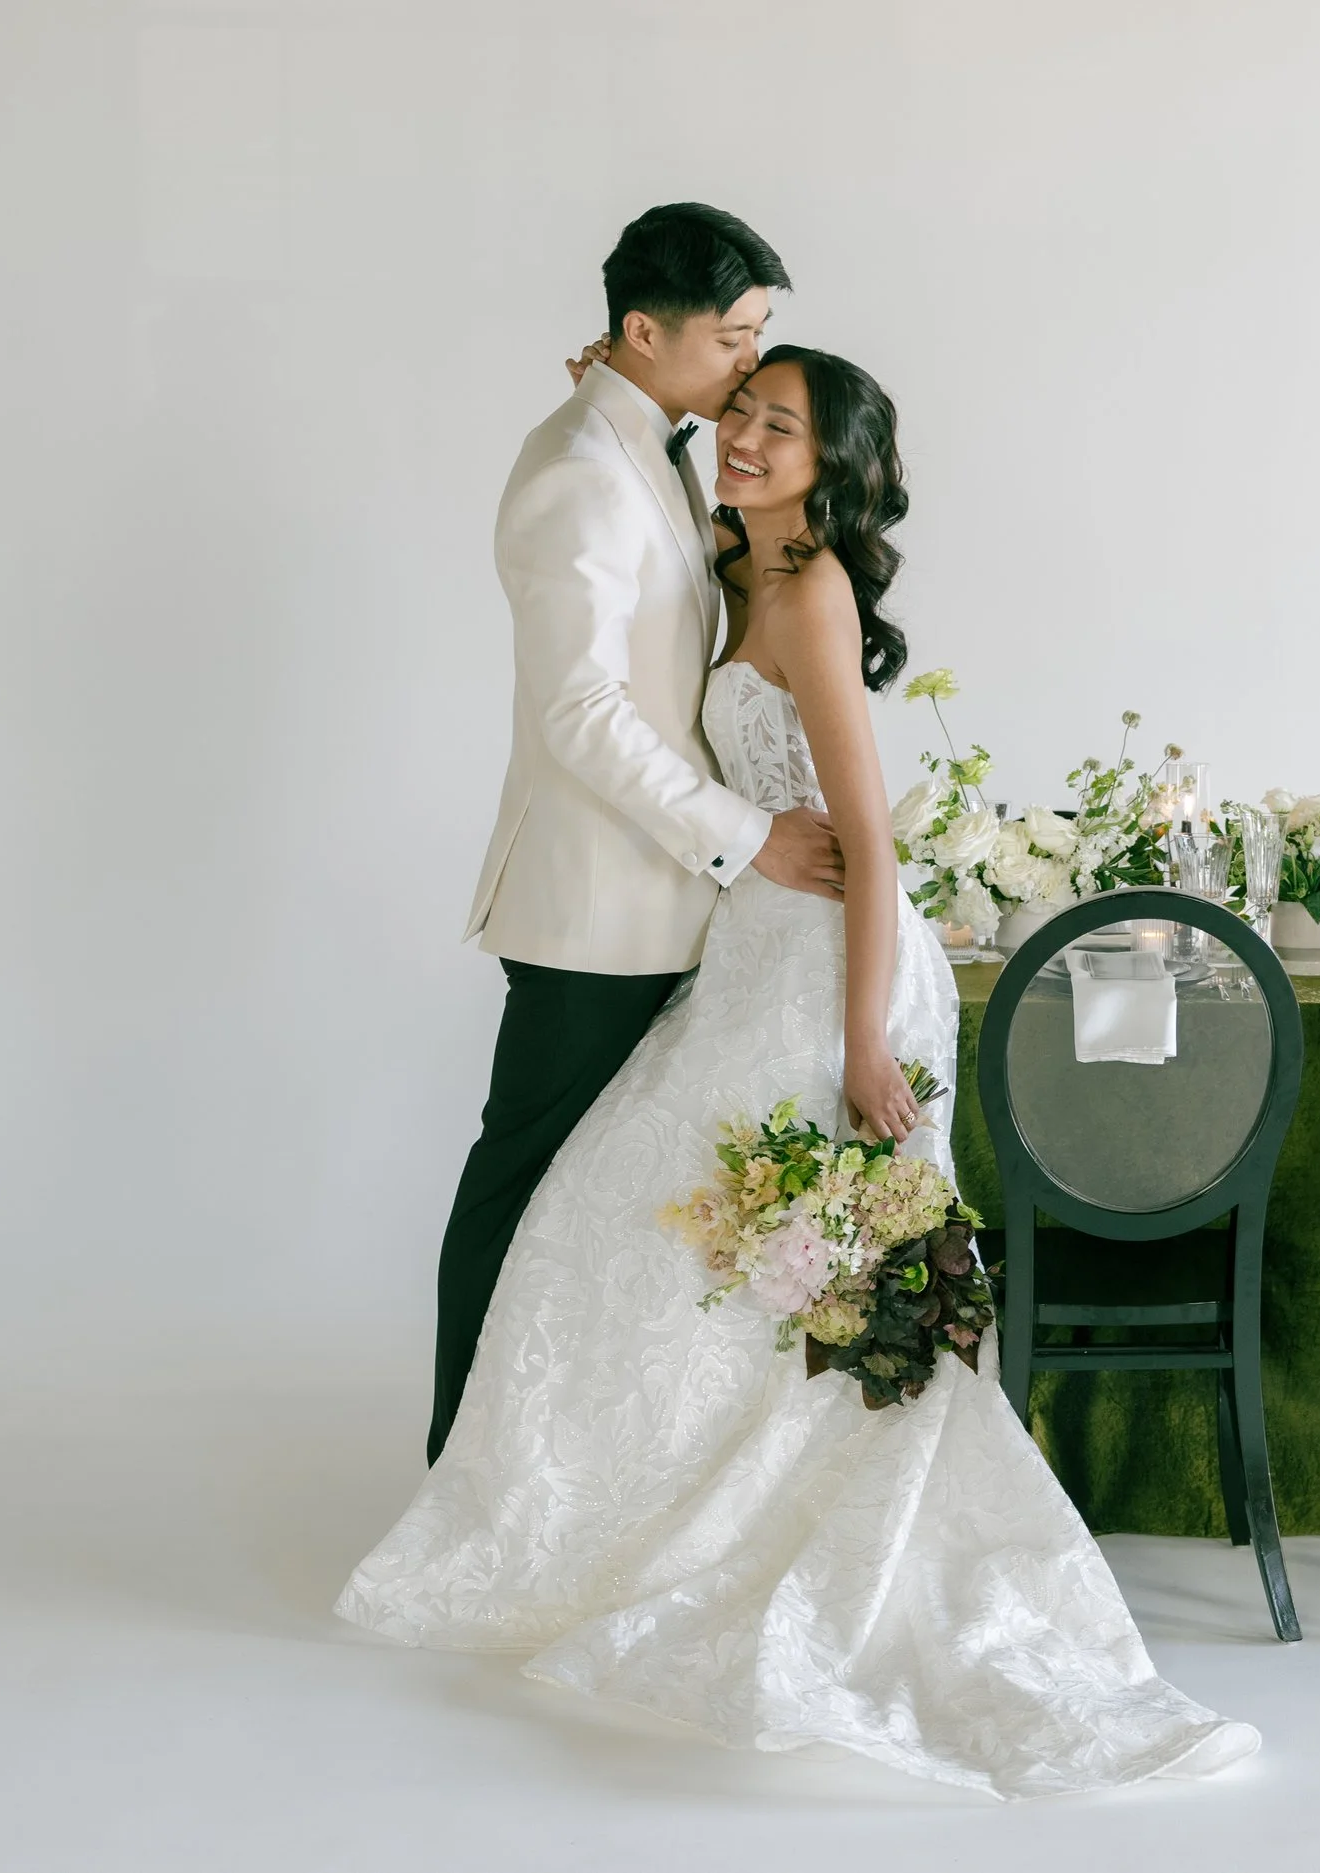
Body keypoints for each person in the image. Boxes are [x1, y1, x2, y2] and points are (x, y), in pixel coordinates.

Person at [339, 343, 1260, 1800]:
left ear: (834, 469)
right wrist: (613, 390)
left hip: (834, 974)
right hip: (753, 953)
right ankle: (640, 1509)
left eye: (781, 429)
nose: (750, 441)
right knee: (667, 1231)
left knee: (815, 1263)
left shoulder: (812, 591)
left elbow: (872, 840)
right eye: (743, 416)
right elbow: (672, 458)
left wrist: (862, 1043)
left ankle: (818, 1531)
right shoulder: (738, 560)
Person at [431, 204, 843, 1465]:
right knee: (524, 1189)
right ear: (641, 331)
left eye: (760, 336)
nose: (749, 369)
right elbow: (581, 714)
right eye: (733, 340)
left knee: (601, 1206)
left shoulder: (646, 437)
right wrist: (748, 839)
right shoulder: (574, 471)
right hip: (598, 907)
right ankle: (461, 1465)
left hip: (669, 905)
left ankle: (564, 1457)